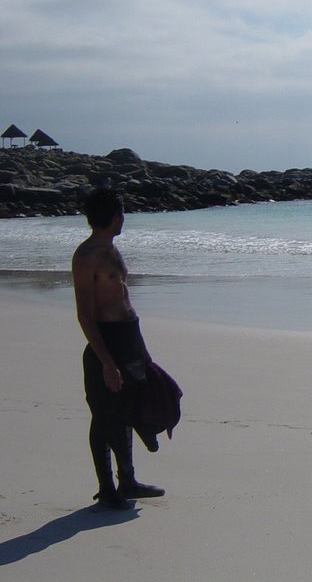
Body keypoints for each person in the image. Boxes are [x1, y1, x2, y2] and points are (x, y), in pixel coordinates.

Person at [72, 187, 165, 510]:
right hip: (107, 341)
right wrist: (106, 363)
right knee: (103, 416)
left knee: (135, 403)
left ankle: (128, 480)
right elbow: (85, 314)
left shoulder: (112, 249)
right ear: (115, 217)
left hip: (129, 337)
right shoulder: (87, 256)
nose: (123, 218)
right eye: (122, 213)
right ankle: (107, 487)